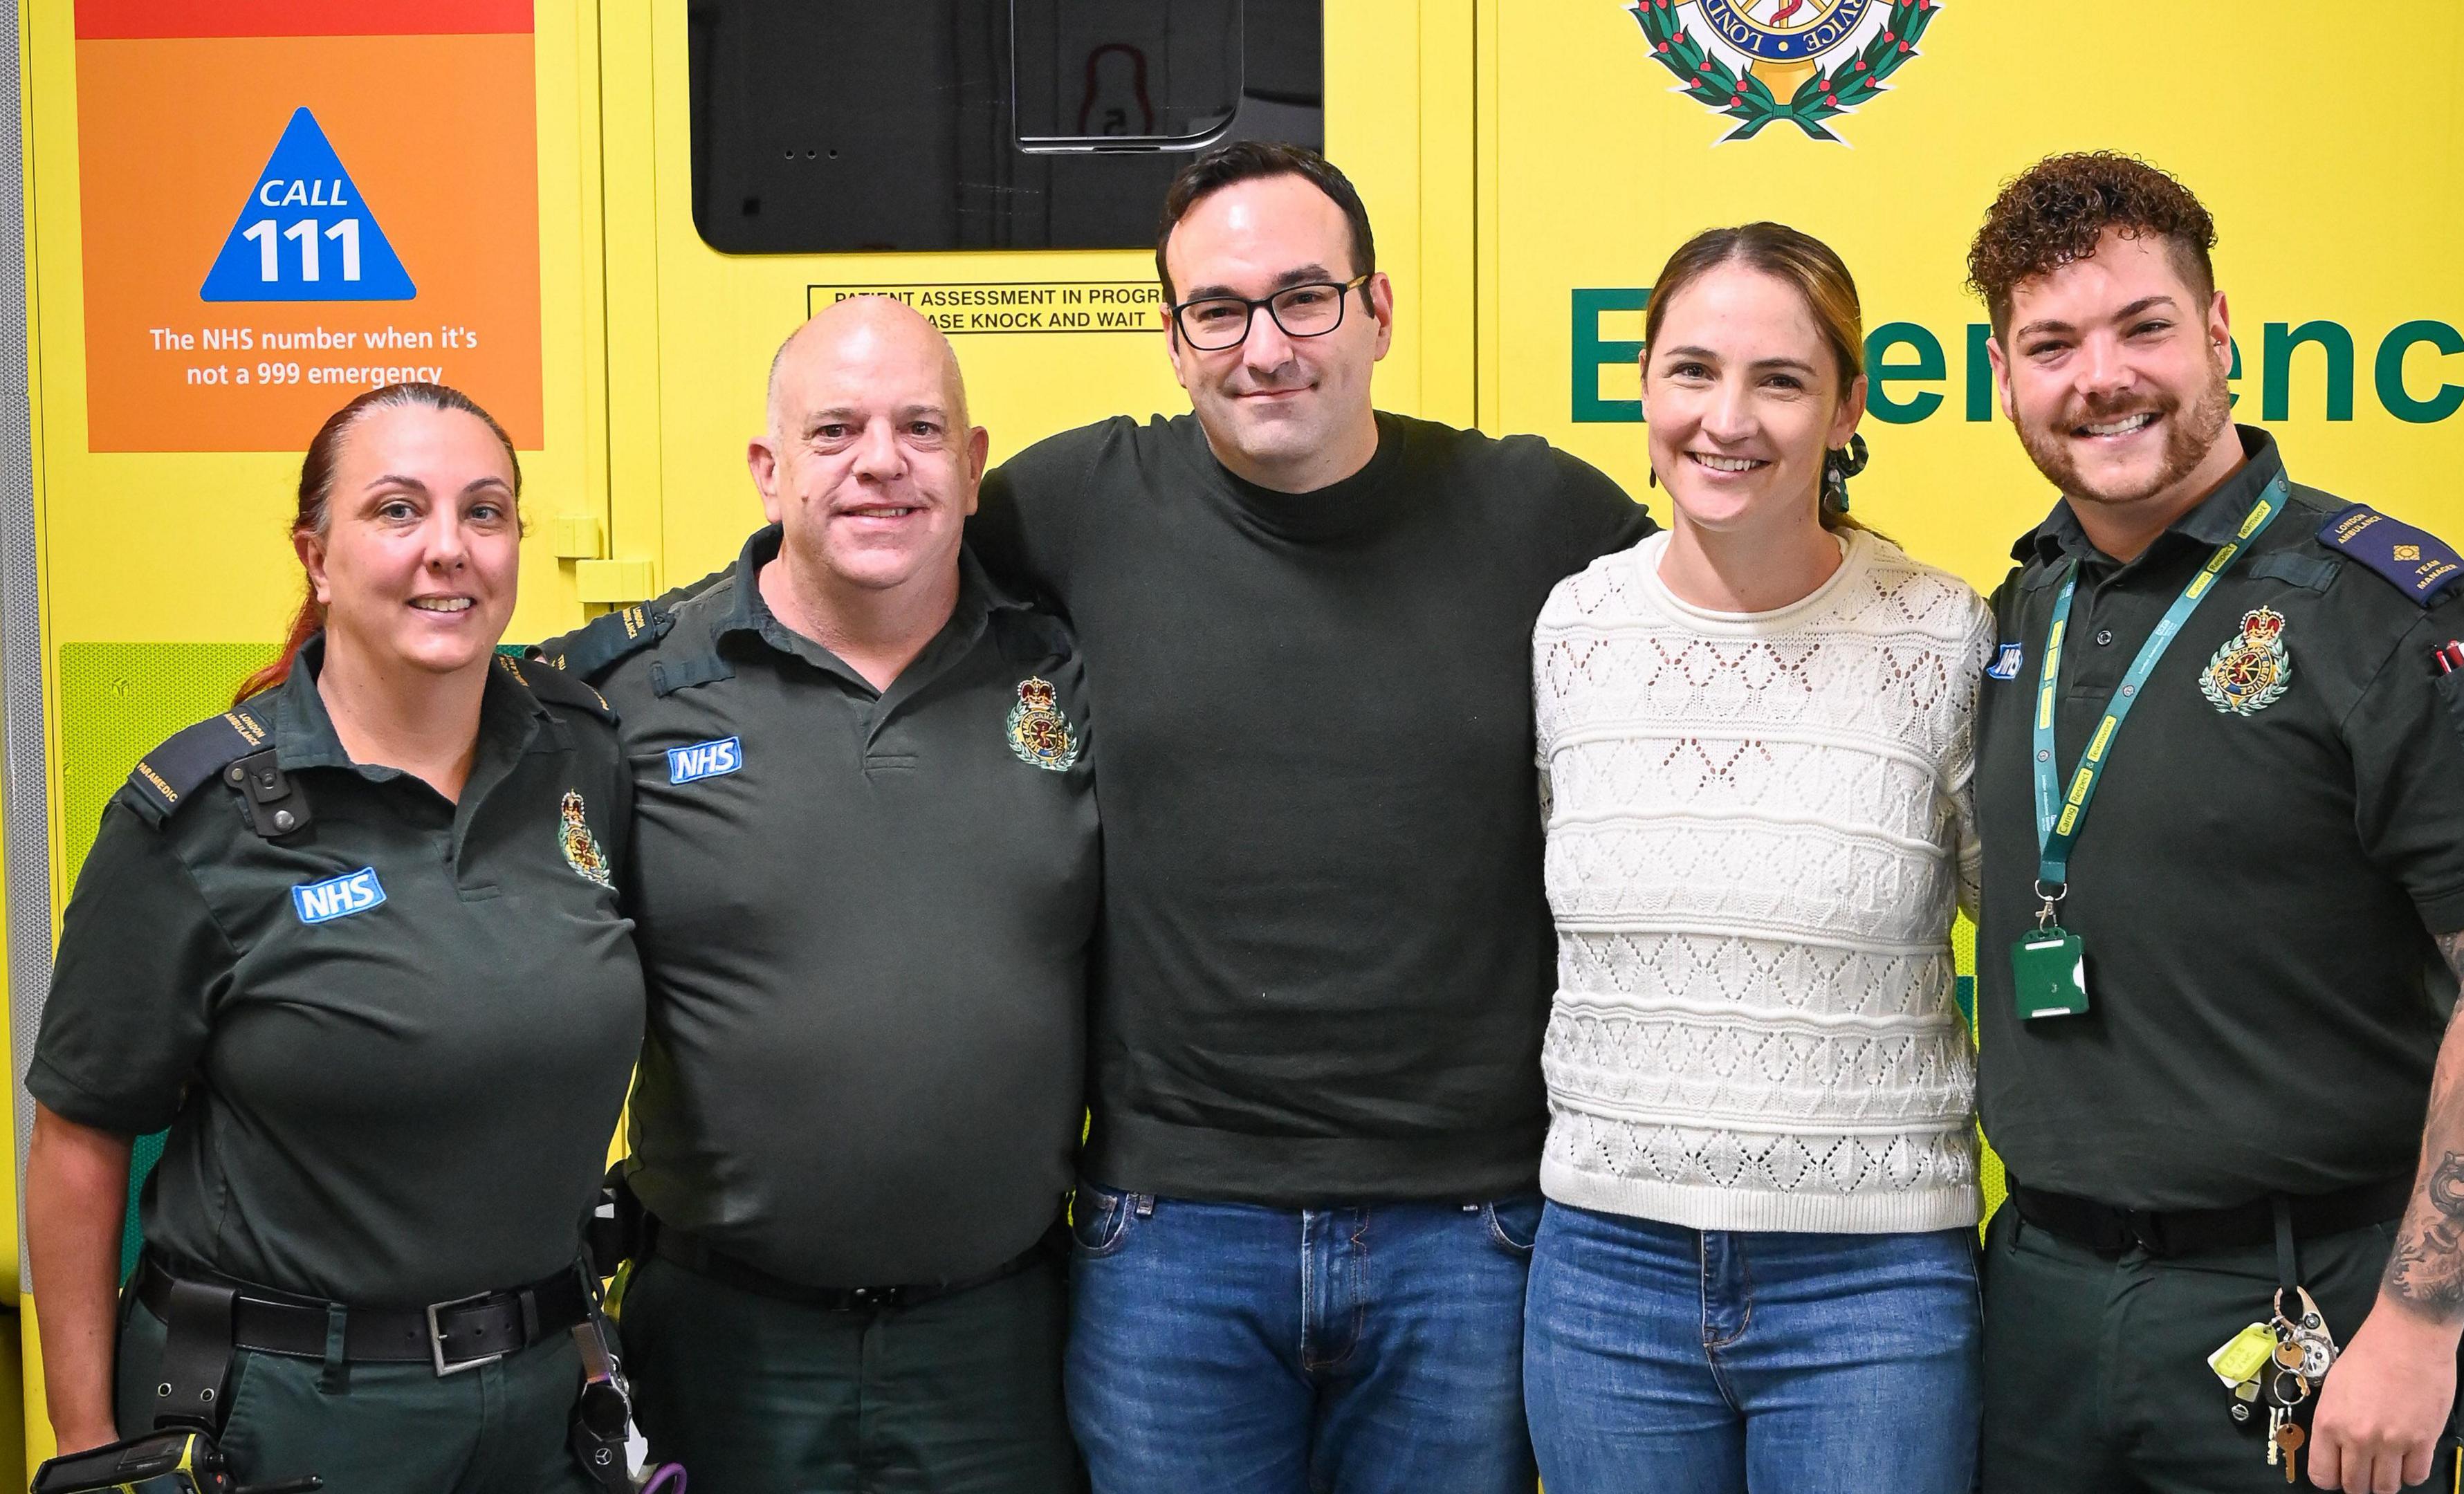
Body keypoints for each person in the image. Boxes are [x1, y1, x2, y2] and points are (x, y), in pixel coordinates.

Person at [966, 141, 1653, 1494]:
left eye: (1304, 299)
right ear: (1173, 340)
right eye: (1217, 311)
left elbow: (1746, 614)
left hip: (1469, 1233)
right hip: (1171, 1236)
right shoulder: (1076, 506)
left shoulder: (1535, 512)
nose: (1263, 345)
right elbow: (851, 576)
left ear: (1379, 309)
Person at [1964, 152, 2464, 1494]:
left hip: (2311, 1303)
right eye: (2051, 344)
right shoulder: (2021, 613)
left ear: (2219, 332)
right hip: (2039, 1304)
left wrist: (2422, 1327)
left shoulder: (2392, 611)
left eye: (2143, 327)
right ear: (2006, 374)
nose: (2102, 378)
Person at [22, 382, 643, 1491]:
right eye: (398, 511)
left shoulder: (580, 756)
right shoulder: (197, 818)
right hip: (294, 1413)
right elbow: (79, 1139)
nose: (447, 549)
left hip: (546, 1394)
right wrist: (86, 1447)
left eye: (485, 512)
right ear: (316, 554)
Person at [539, 295, 1095, 1493]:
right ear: (768, 468)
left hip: (1002, 1344)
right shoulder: (630, 696)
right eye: (835, 430)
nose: (880, 463)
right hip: (728, 1339)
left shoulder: (1066, 673)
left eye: (921, 428)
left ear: (973, 462)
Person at [1522, 222, 1991, 1494]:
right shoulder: (1572, 629)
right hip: (1607, 1272)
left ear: (1847, 407)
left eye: (1780, 380)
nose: (1728, 418)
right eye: (1693, 370)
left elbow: (2023, 933)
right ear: (1643, 388)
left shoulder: (1940, 634)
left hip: (1872, 1289)